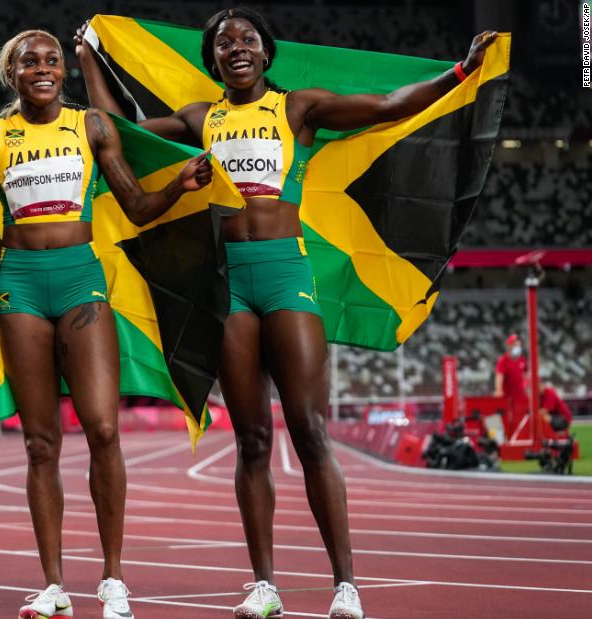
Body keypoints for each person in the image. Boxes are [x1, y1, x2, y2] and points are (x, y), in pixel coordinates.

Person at [75, 8, 496, 619]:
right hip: (230, 283)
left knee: (310, 431)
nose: (237, 48)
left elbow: (386, 106)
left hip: (285, 275)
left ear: (266, 54)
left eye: (247, 39)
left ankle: (345, 584)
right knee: (251, 440)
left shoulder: (299, 109)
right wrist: (89, 57)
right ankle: (264, 585)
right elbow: (116, 132)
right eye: (224, 43)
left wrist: (460, 71)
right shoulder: (201, 119)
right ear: (212, 59)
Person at [0, 29, 211, 619]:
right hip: (21, 286)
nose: (44, 67)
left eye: (53, 59)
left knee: (104, 430)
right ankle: (54, 585)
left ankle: (112, 580)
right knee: (39, 444)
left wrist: (178, 187)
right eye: (29, 61)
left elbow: (134, 205)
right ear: (12, 75)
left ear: (65, 70)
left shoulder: (92, 127)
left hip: (81, 279)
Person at [494, 333, 530, 430]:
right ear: (509, 346)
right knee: (507, 423)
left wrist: (528, 389)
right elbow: (499, 376)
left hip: (521, 398)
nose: (518, 347)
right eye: (515, 345)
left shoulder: (522, 360)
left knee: (522, 423)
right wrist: (498, 390)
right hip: (508, 398)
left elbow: (526, 376)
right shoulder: (503, 360)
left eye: (519, 345)